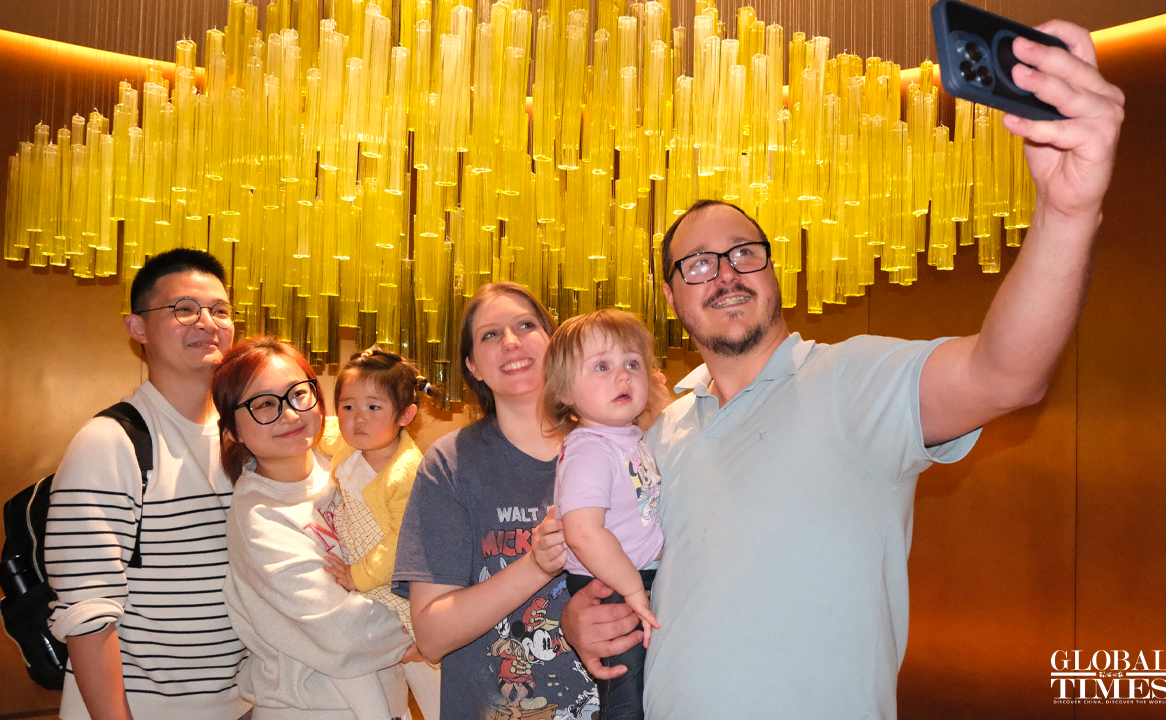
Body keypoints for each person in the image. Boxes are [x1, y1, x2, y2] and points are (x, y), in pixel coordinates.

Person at [561, 22, 1125, 719]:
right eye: (698, 264)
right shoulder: (657, 435)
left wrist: (1067, 211)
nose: (726, 274)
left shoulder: (853, 381)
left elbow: (1006, 373)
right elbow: (627, 565)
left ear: (774, 273)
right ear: (673, 300)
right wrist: (579, 618)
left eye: (744, 253)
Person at [44, 248, 250, 720]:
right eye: (184, 309)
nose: (207, 323)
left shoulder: (245, 437)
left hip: (239, 703)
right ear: (137, 328)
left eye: (220, 310)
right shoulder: (111, 442)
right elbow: (86, 611)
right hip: (141, 707)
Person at [391, 282, 599, 719]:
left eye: (526, 326)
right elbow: (431, 635)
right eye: (490, 334)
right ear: (473, 366)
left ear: (553, 343)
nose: (511, 342)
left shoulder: (611, 448)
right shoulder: (450, 464)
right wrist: (537, 565)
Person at [215, 337, 413, 720]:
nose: (290, 414)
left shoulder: (345, 464)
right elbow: (342, 632)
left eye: (298, 394)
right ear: (233, 430)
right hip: (312, 709)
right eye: (264, 404)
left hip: (393, 698)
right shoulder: (259, 515)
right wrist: (428, 626)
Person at [542, 309, 665, 720]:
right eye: (601, 366)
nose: (622, 376)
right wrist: (632, 588)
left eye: (632, 363)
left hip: (631, 578)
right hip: (611, 585)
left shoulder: (628, 438)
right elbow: (582, 533)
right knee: (628, 699)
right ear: (564, 391)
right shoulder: (590, 448)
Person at [317, 346, 442, 720]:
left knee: (435, 691)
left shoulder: (406, 471)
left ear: (405, 415)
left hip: (401, 593)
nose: (357, 418)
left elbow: (402, 540)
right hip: (370, 598)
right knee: (384, 694)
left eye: (373, 407)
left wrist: (357, 576)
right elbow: (319, 429)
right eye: (347, 406)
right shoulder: (349, 444)